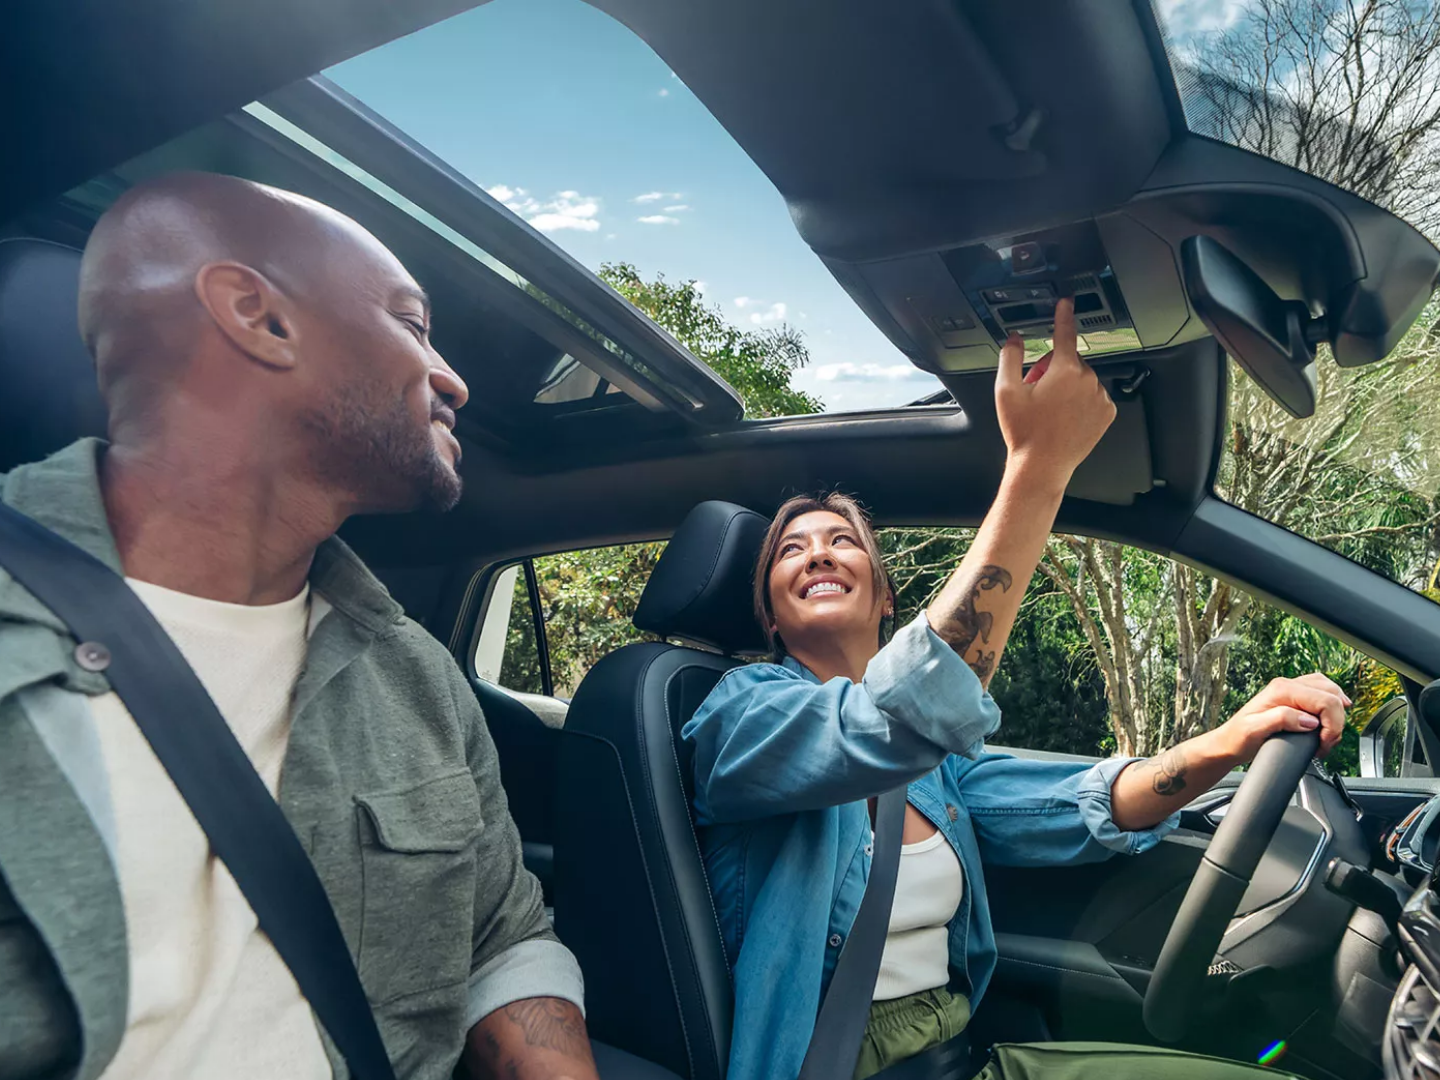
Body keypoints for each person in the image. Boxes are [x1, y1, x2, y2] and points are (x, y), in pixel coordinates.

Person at [0, 172, 598, 1080]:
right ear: (258, 315)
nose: (454, 381)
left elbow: (503, 940)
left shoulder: (418, 677)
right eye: (412, 324)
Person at [682, 300, 1349, 1080]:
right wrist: (1039, 465)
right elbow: (891, 722)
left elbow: (1085, 806)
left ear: (887, 596)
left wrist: (1233, 739)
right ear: (769, 607)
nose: (819, 554)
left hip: (962, 1058)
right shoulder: (738, 715)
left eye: (842, 542)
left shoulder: (940, 775)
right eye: (791, 550)